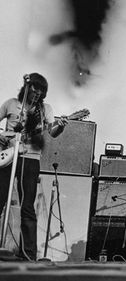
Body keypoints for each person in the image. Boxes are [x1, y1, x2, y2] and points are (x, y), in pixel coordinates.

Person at [0, 73, 67, 261]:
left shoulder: (45, 109)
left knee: (27, 206)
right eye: (35, 88)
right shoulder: (11, 104)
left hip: (30, 158)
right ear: (27, 87)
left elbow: (52, 132)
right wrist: (3, 137)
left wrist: (60, 127)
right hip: (7, 157)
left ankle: (27, 254)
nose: (38, 93)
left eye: (42, 90)